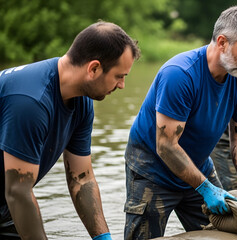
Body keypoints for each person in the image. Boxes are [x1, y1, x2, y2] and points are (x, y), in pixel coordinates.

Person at [124, 6, 237, 239]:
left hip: (198, 165)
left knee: (222, 233)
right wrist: (205, 189)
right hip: (152, 170)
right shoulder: (180, 74)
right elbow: (166, 146)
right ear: (222, 42)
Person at [0, 21, 140, 240]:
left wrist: (102, 237)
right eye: (119, 76)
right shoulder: (30, 101)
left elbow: (81, 178)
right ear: (94, 68)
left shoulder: (81, 102)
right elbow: (18, 192)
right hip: (13, 196)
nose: (121, 85)